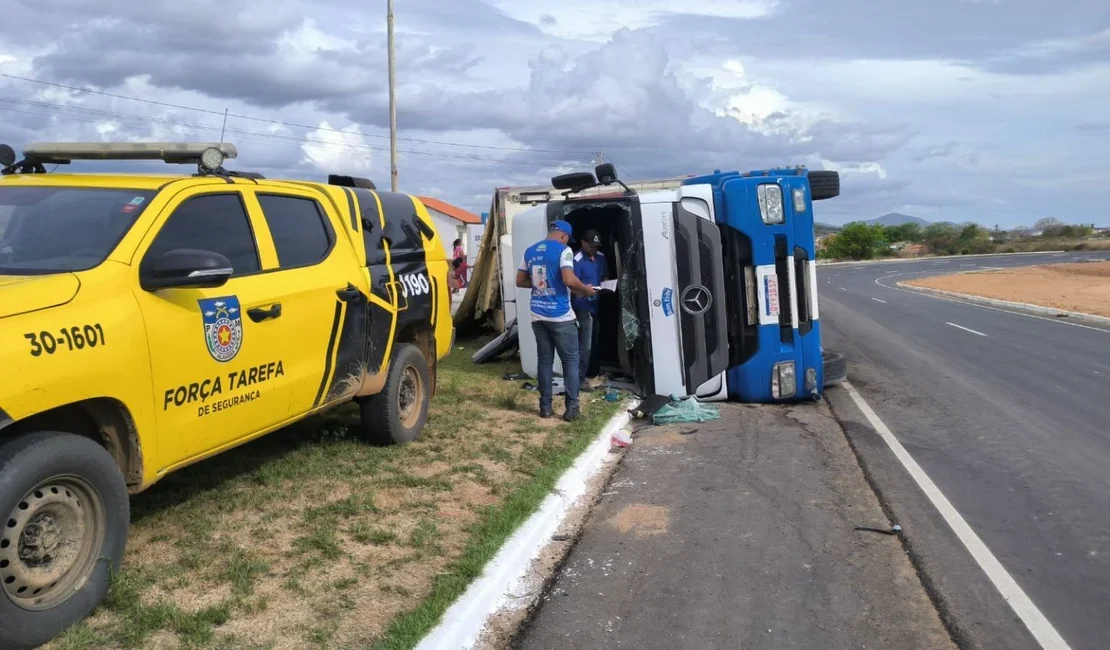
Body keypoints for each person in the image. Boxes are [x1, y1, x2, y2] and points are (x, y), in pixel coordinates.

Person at [516, 220, 596, 421]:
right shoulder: (564, 250)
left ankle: (545, 407)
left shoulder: (530, 251)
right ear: (563, 236)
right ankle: (572, 408)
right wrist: (586, 289)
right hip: (560, 315)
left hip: (538, 315)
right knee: (570, 360)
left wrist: (540, 286)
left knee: (545, 361)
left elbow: (519, 281)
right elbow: (569, 280)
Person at [571, 229, 606, 391]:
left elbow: (605, 276)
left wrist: (605, 286)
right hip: (582, 307)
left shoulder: (601, 258)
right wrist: (585, 291)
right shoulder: (576, 260)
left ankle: (592, 374)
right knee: (584, 346)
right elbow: (571, 285)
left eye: (596, 246)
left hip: (596, 305)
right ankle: (578, 380)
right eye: (591, 246)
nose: (594, 249)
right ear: (583, 243)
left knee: (595, 342)